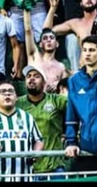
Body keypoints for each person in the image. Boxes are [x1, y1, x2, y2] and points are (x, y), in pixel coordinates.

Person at [16, 65, 67, 177]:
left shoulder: (56, 100)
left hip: (54, 167)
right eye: (28, 76)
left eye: (36, 76)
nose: (31, 78)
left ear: (44, 82)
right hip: (26, 169)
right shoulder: (17, 104)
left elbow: (78, 108)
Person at [64, 35, 97, 173]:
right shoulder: (74, 80)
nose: (88, 53)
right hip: (86, 147)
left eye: (92, 50)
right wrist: (71, 142)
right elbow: (71, 116)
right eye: (85, 50)